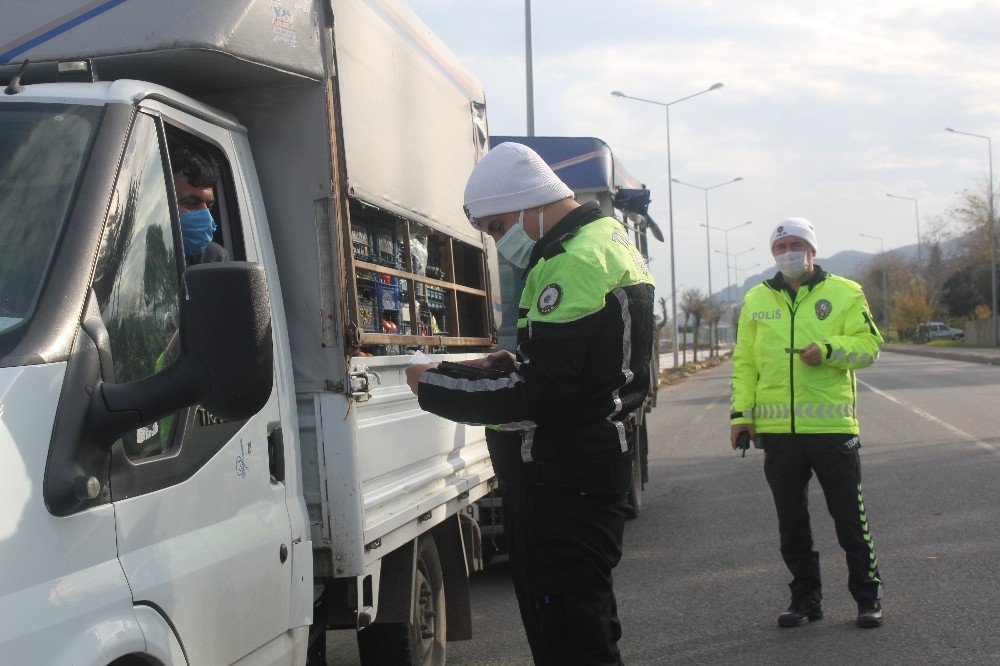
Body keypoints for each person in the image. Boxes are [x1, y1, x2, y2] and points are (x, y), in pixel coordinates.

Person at [405, 142, 655, 664]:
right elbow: (578, 373)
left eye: (498, 227)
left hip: (559, 487)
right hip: (588, 473)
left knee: (567, 641)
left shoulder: (570, 265)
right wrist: (507, 362)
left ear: (527, 203)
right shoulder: (606, 241)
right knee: (589, 630)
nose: (501, 241)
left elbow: (537, 400)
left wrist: (429, 383)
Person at [730, 217, 885, 629]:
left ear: (812, 250)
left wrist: (831, 350)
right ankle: (805, 600)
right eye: (780, 248)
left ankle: (867, 598)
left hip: (833, 431)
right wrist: (741, 417)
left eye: (796, 245)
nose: (788, 253)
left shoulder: (846, 293)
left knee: (850, 520)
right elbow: (745, 363)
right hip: (779, 435)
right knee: (792, 526)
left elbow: (870, 346)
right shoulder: (756, 299)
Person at [169, 144, 229, 264]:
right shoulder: (137, 252)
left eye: (209, 206)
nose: (206, 215)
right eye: (191, 203)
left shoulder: (213, 257)